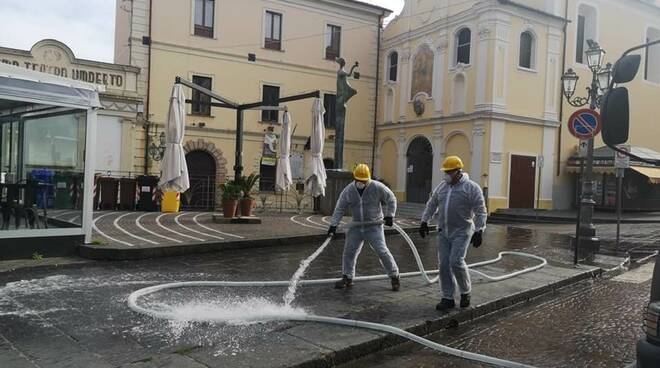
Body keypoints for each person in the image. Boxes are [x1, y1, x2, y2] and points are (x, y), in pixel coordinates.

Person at [419, 156, 487, 311]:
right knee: (443, 264)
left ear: (458, 171)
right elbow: (432, 204)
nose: (447, 174)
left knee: (455, 261)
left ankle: (465, 292)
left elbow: (480, 210)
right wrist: (424, 221)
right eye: (446, 172)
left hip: (462, 232)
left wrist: (479, 230)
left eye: (449, 172)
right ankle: (448, 297)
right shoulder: (442, 187)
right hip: (443, 231)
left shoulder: (471, 188)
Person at [328, 164, 401, 291]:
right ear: (355, 179)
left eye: (364, 181)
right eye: (359, 180)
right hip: (356, 226)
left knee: (382, 251)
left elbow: (391, 199)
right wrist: (333, 225)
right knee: (349, 252)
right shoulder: (349, 190)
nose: (361, 183)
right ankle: (347, 277)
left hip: (374, 226)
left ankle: (394, 276)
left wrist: (390, 215)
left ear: (368, 179)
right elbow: (340, 207)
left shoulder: (377, 187)